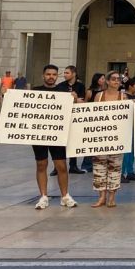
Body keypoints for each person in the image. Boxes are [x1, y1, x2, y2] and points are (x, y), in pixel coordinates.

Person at [29, 65, 77, 210]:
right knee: (41, 164)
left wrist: (74, 100)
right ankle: (43, 196)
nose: (51, 76)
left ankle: (65, 196)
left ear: (57, 76)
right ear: (43, 75)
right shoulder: (35, 91)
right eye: (48, 74)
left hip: (58, 133)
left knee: (61, 165)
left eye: (54, 74)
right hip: (39, 133)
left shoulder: (63, 91)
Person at [90, 70, 126, 208]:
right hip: (100, 137)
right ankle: (101, 197)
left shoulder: (123, 97)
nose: (116, 81)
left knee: (115, 167)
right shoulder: (99, 96)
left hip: (117, 137)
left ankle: (112, 197)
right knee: (99, 166)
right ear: (107, 81)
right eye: (114, 79)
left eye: (118, 79)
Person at [55, 65, 87, 175]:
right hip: (62, 117)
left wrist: (75, 99)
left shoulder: (80, 86)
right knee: (60, 143)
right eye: (64, 73)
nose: (65, 75)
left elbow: (82, 101)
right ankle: (57, 167)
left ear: (74, 74)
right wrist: (71, 98)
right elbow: (57, 101)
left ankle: (73, 165)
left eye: (67, 73)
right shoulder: (59, 86)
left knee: (73, 141)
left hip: (74, 117)